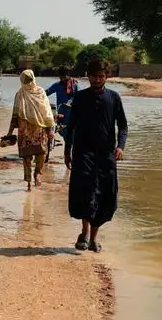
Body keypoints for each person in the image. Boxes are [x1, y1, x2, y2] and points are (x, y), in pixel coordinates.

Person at [64, 59, 128, 252]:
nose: (97, 80)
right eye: (94, 76)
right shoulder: (80, 98)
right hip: (83, 153)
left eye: (101, 76)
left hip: (106, 155)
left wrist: (121, 146)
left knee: (104, 195)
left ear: (107, 76)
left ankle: (94, 238)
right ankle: (83, 233)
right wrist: (67, 150)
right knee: (85, 193)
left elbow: (123, 126)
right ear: (88, 76)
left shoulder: (114, 98)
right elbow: (71, 126)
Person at [5, 70, 55, 191]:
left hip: (32, 129)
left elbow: (46, 112)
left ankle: (33, 178)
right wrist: (10, 132)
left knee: (35, 154)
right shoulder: (25, 93)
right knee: (36, 154)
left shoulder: (33, 92)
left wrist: (10, 132)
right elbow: (47, 113)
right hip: (31, 129)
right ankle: (32, 179)